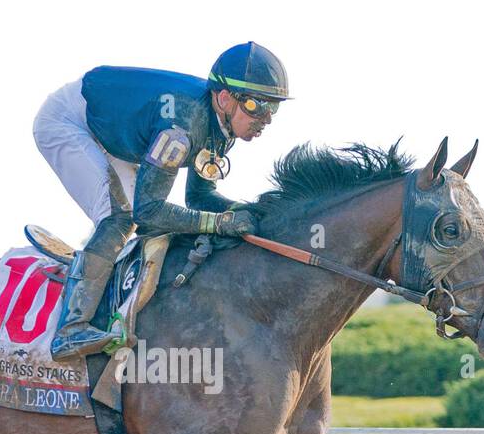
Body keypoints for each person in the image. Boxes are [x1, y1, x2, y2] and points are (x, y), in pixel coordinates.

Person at [33, 41, 291, 360]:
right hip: (69, 121)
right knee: (120, 218)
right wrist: (220, 223)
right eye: (256, 105)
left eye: (273, 107)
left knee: (127, 217)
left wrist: (246, 210)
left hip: (114, 133)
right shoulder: (181, 126)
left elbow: (199, 196)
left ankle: (94, 279)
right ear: (225, 97)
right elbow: (149, 211)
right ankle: (70, 330)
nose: (265, 118)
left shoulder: (220, 127)